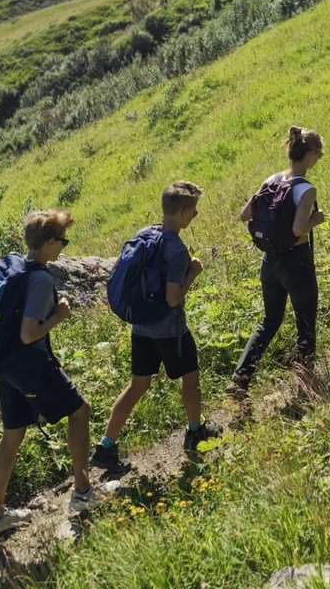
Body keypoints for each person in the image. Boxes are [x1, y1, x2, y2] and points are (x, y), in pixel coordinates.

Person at [0, 209, 94, 543]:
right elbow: (30, 333)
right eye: (63, 241)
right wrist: (59, 315)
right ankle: (83, 491)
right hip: (30, 363)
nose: (64, 247)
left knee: (13, 433)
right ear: (49, 242)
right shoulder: (41, 279)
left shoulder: (17, 265)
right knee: (80, 411)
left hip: (3, 363)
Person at [92, 181, 223, 475]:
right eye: (195, 213)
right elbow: (173, 297)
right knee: (191, 379)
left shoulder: (146, 233)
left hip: (141, 327)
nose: (195, 217)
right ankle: (195, 432)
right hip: (170, 331)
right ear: (185, 211)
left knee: (137, 385)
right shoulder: (175, 249)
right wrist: (193, 273)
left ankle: (106, 446)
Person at [228, 127, 327, 397]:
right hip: (296, 261)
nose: (319, 160)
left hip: (269, 261)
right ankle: (306, 381)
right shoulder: (306, 189)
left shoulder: (271, 179)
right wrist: (315, 220)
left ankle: (240, 378)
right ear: (309, 154)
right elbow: (298, 230)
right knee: (305, 321)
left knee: (270, 320)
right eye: (319, 154)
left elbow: (244, 214)